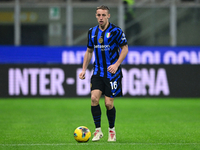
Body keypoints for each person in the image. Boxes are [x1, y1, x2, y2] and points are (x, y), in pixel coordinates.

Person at [79, 5, 128, 142]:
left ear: (108, 16)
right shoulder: (92, 32)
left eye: (103, 15)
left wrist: (117, 64)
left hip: (112, 73)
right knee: (94, 99)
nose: (101, 18)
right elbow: (89, 51)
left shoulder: (116, 31)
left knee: (108, 104)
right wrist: (83, 69)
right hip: (98, 72)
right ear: (96, 16)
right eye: (99, 15)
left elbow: (125, 48)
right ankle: (98, 131)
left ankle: (111, 131)